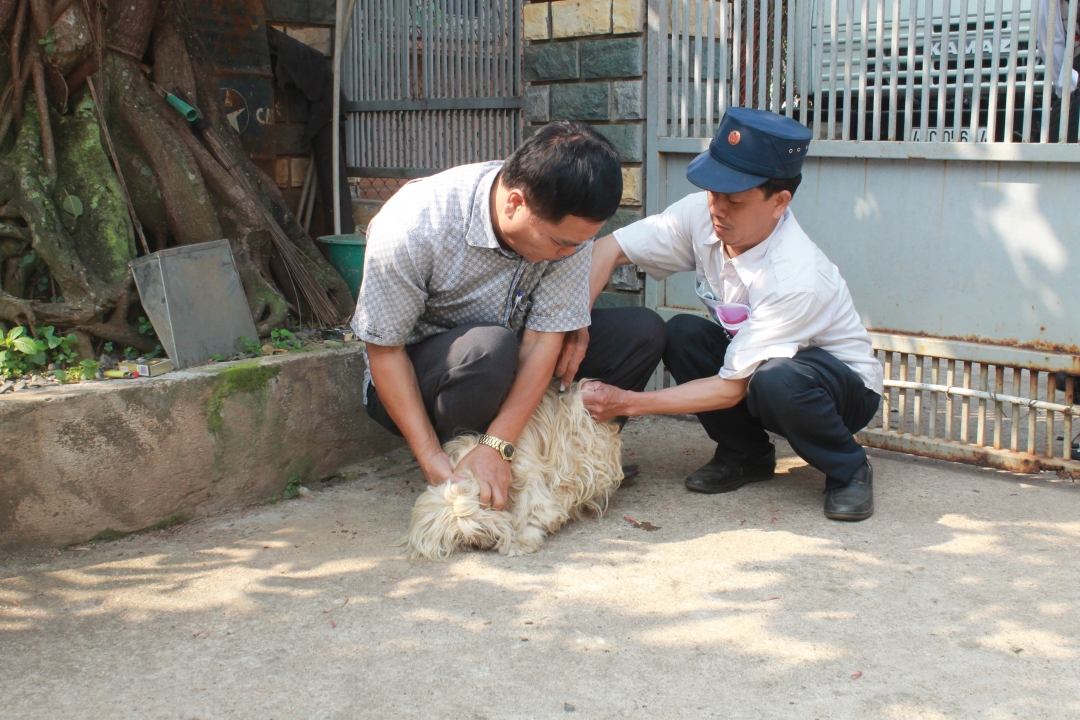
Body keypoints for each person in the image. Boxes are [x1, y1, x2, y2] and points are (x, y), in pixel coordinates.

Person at [581, 107, 884, 521]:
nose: (718, 209)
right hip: (763, 367)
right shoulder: (702, 215)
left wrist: (628, 402)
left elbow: (732, 389)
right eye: (713, 192)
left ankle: (848, 468)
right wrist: (575, 328)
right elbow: (608, 249)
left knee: (776, 379)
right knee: (683, 333)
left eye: (734, 200)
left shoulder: (795, 276)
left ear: (779, 202)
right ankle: (747, 455)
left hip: (837, 387)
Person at [351, 121, 667, 512]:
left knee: (643, 331)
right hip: (426, 375)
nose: (572, 254)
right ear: (515, 203)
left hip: (511, 355)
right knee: (489, 349)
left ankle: (556, 461)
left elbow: (541, 341)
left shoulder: (567, 227)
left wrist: (499, 443)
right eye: (560, 243)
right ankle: (463, 466)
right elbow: (384, 351)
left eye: (581, 244)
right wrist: (430, 457)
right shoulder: (413, 226)